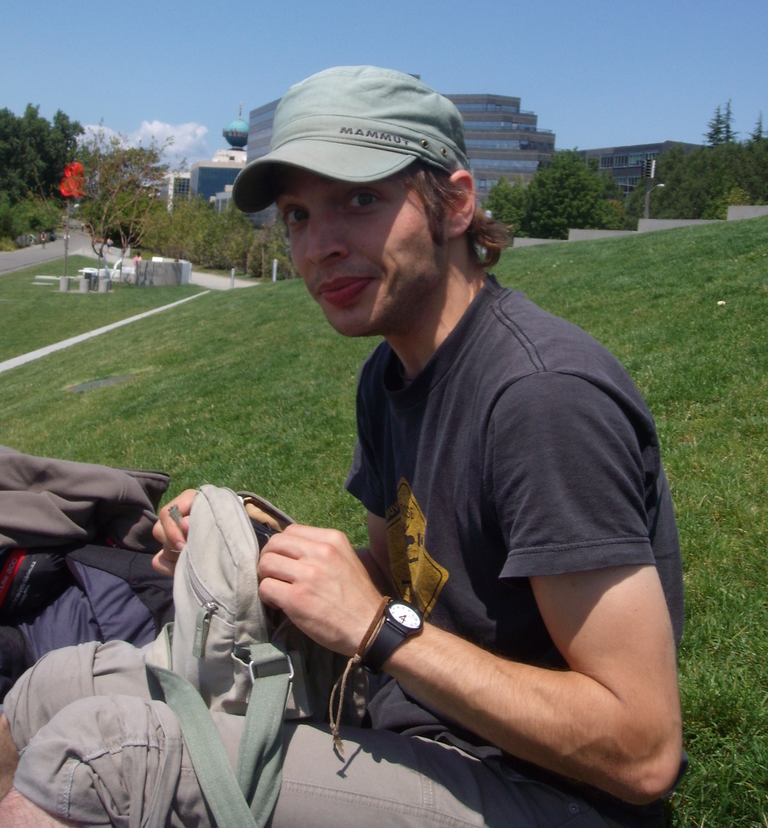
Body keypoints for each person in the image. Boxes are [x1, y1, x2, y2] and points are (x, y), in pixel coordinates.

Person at [0, 66, 684, 828]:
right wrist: (258, 550)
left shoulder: (541, 399)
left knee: (106, 759)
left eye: (359, 200)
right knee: (51, 690)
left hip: (545, 792)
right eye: (297, 215)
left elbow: (642, 750)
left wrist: (377, 627)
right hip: (413, 715)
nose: (318, 247)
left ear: (456, 205)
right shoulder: (387, 377)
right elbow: (403, 582)